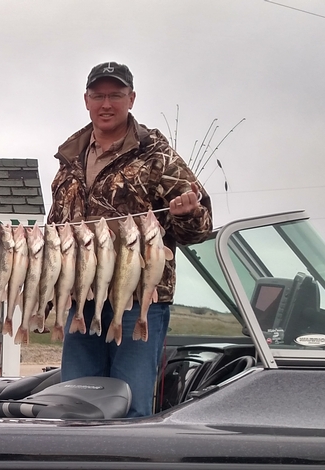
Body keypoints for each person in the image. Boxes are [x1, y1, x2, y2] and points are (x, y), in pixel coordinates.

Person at [49, 62, 212, 418]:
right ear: (87, 100)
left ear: (131, 99)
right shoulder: (69, 159)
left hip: (140, 301)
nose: (106, 104)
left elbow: (199, 228)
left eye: (116, 95)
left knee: (132, 404)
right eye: (98, 95)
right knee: (75, 405)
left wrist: (187, 213)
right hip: (83, 299)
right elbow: (56, 229)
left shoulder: (157, 155)